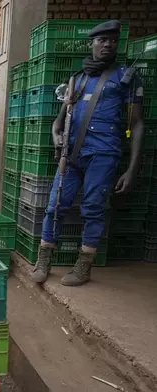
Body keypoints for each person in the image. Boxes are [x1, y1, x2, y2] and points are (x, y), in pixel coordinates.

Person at [32, 20, 144, 287]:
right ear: (91, 44)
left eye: (113, 41)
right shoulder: (77, 79)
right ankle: (44, 258)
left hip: (103, 153)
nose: (108, 45)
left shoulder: (125, 77)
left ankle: (84, 265)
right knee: (55, 205)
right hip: (71, 154)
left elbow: (136, 124)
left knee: (93, 208)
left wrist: (132, 168)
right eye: (102, 40)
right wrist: (56, 135)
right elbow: (58, 123)